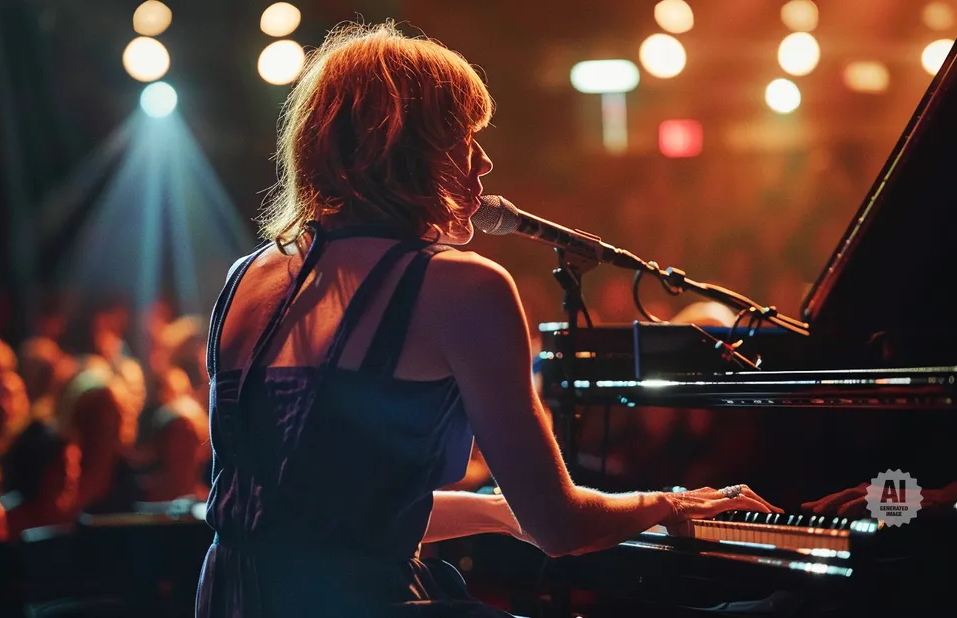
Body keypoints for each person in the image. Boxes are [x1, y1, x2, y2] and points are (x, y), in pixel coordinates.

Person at [196, 22, 779, 618]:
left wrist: (501, 512)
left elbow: (323, 517)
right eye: (462, 137)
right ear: (405, 147)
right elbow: (561, 528)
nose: (485, 159)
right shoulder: (461, 286)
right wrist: (674, 503)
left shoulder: (247, 277)